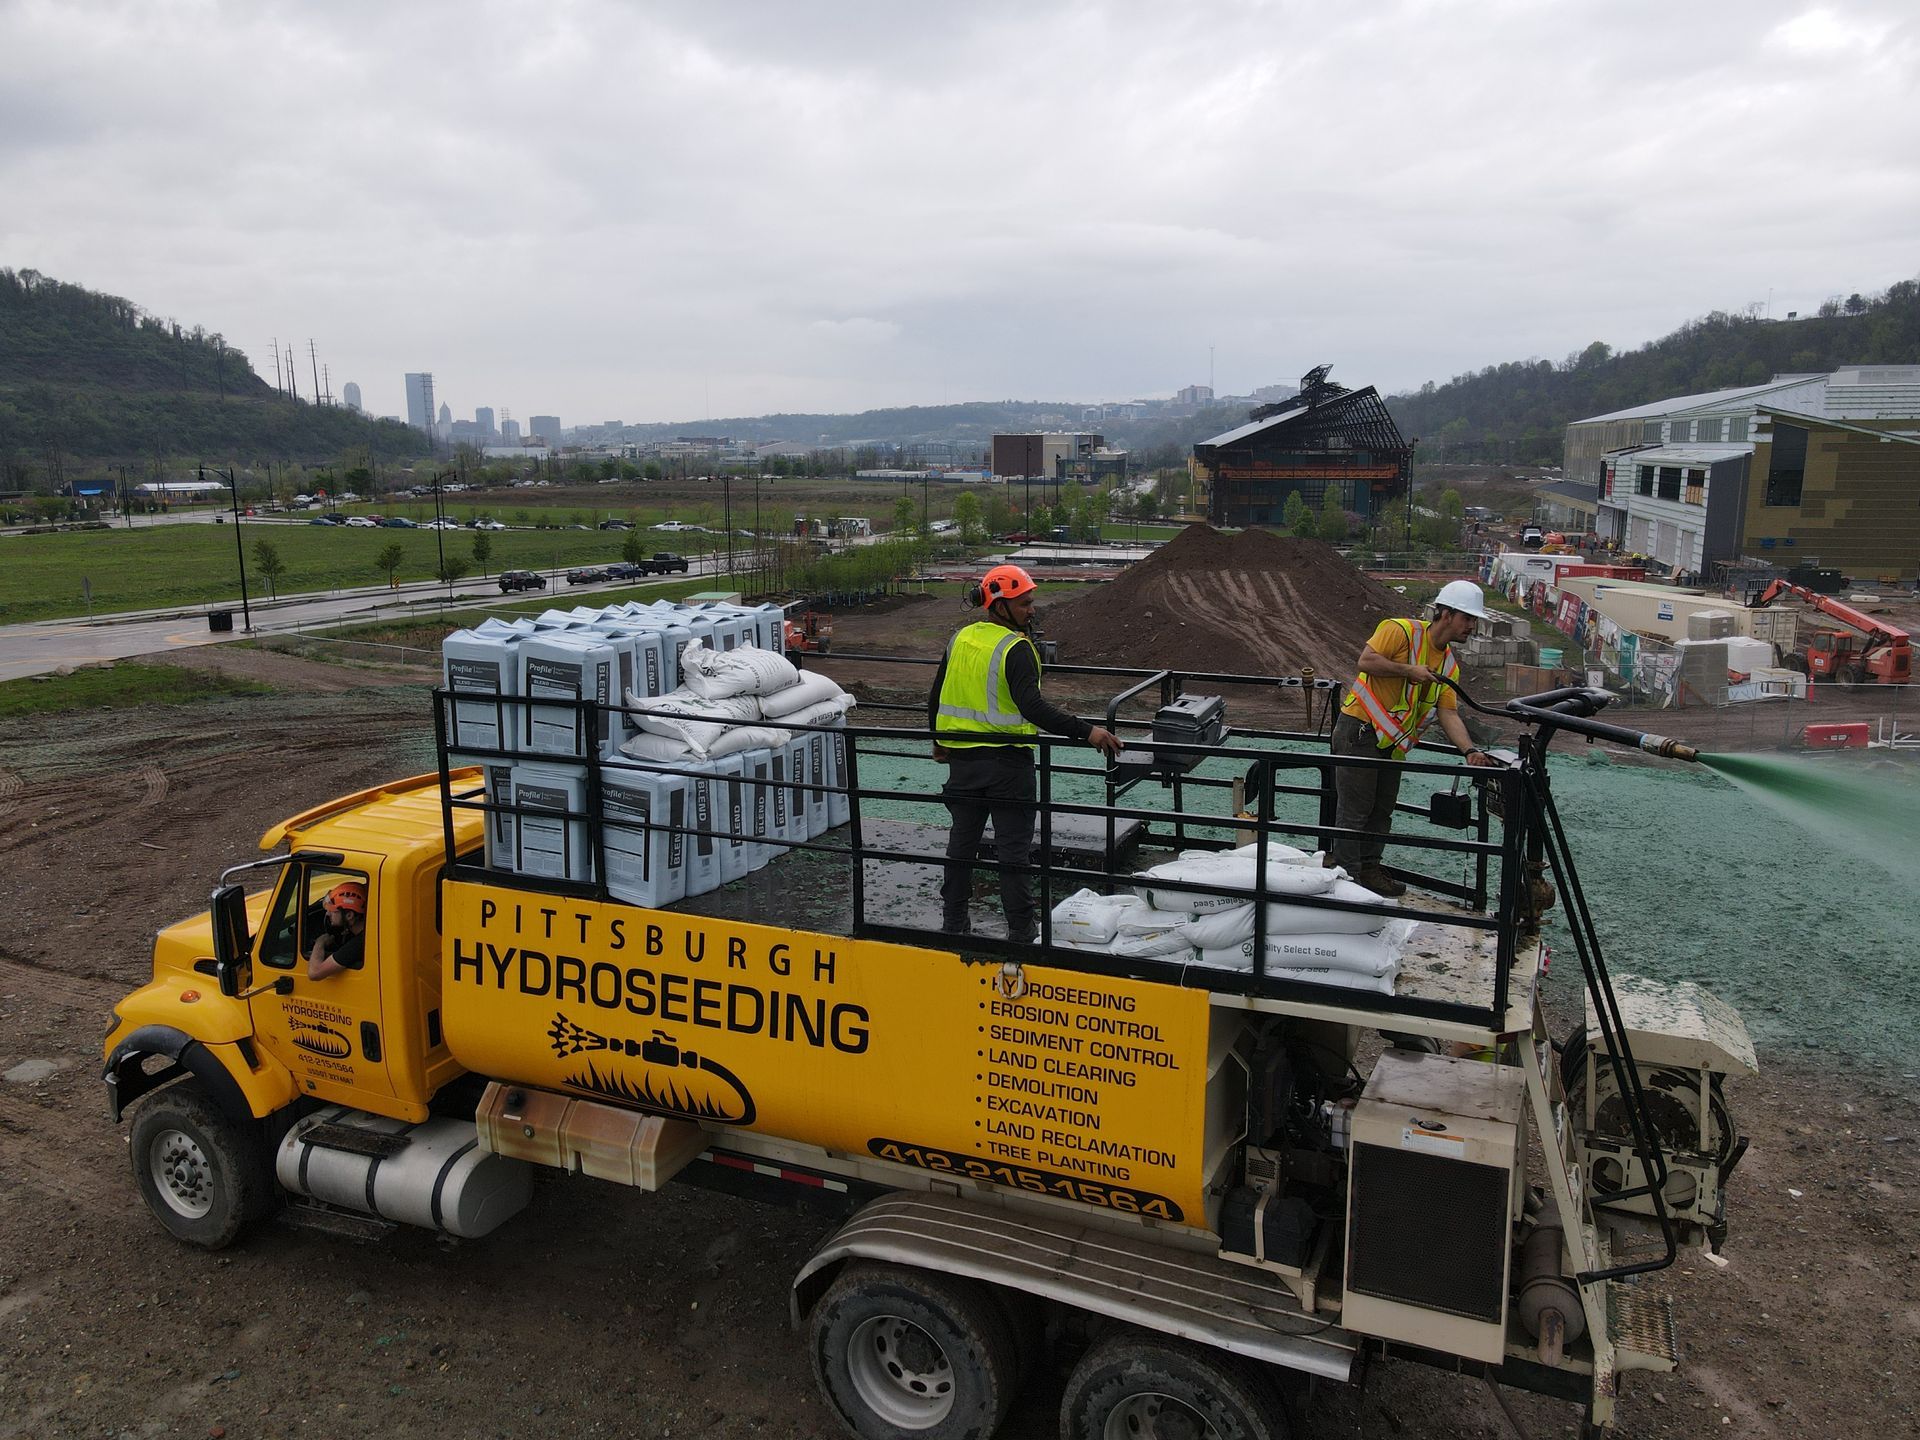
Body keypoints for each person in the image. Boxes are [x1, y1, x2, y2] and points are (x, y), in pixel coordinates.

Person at [929, 564, 1122, 942]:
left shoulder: (959, 639)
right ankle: (1020, 932)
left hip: (963, 765)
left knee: (960, 850)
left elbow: (936, 695)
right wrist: (1089, 732)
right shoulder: (1017, 649)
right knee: (1013, 855)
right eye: (1024, 604)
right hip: (1008, 768)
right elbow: (1033, 708)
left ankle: (953, 924)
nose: (1031, 610)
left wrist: (938, 741)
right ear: (999, 605)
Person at [1328, 580, 1498, 897]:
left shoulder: (1448, 663)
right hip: (1360, 730)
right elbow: (1365, 661)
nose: (1472, 627)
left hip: (1392, 745)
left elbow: (1448, 712)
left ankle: (1369, 870)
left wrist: (1469, 750)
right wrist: (1408, 670)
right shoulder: (1399, 631)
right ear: (1445, 614)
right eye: (1468, 618)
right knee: (1355, 812)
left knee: (1381, 812)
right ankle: (1346, 880)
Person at [307, 880, 368, 980]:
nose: (327, 914)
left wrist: (319, 943)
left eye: (332, 911)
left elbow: (315, 973)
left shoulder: (358, 945)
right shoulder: (365, 934)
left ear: (349, 915)